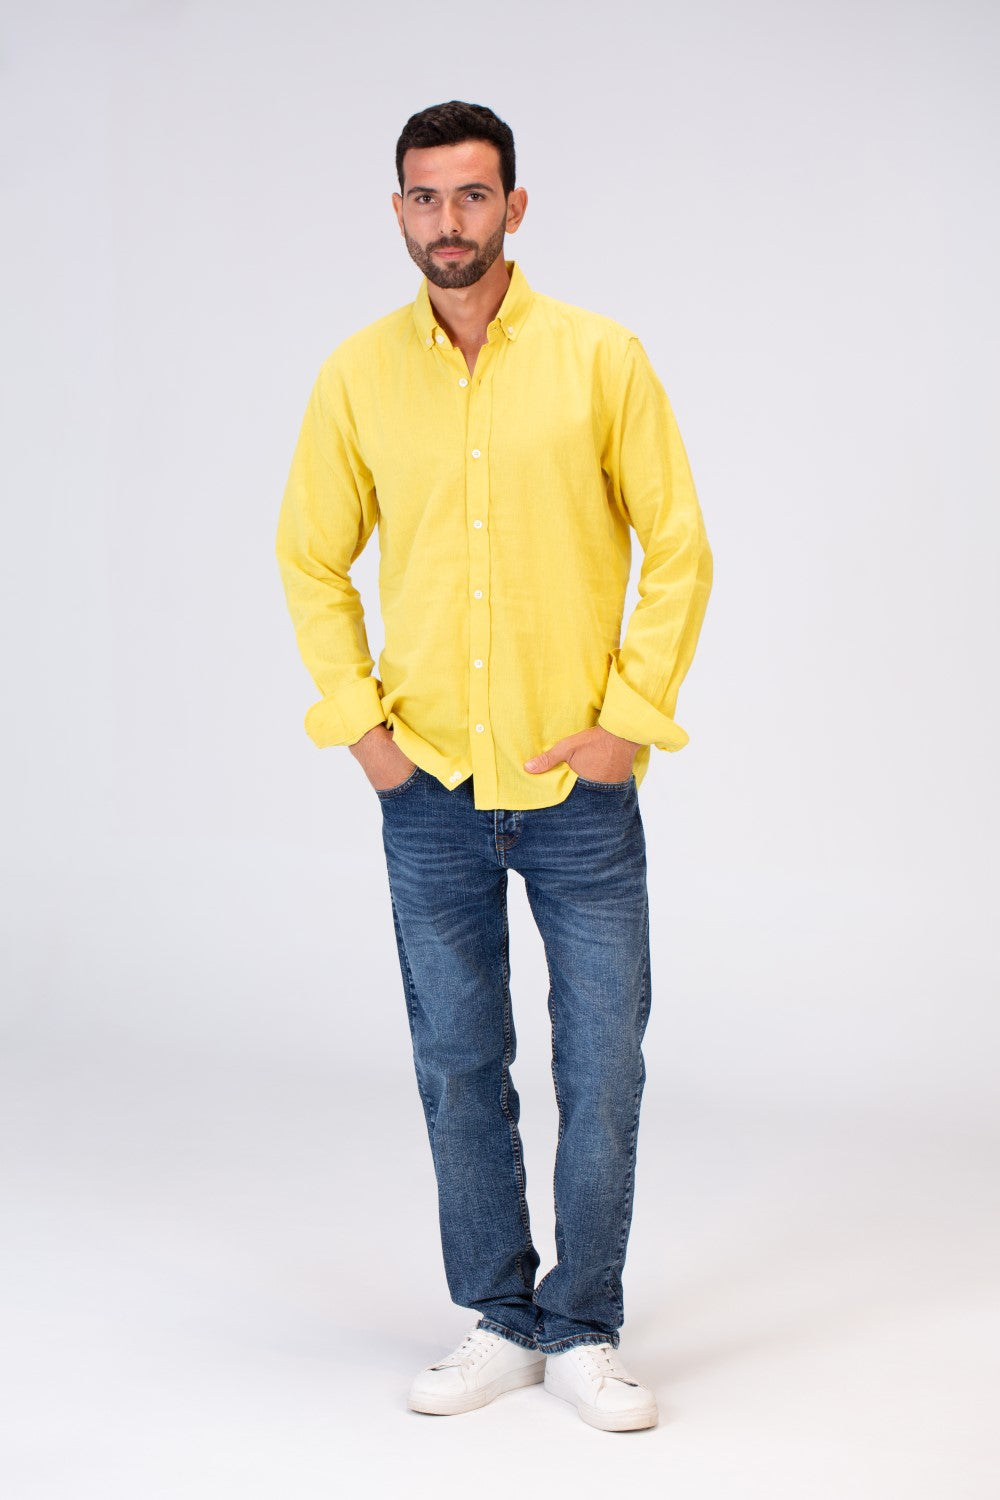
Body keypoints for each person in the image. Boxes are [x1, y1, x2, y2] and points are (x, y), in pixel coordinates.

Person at [275, 100, 712, 1432]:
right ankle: (502, 1317)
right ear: (398, 210)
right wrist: (363, 732)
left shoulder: (600, 359)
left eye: (472, 196)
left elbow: (678, 547)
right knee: (459, 1062)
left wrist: (628, 720)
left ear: (514, 207)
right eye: (424, 197)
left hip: (578, 789)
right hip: (430, 793)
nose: (447, 222)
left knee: (603, 1068)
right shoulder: (358, 375)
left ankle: (583, 1323)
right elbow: (309, 556)